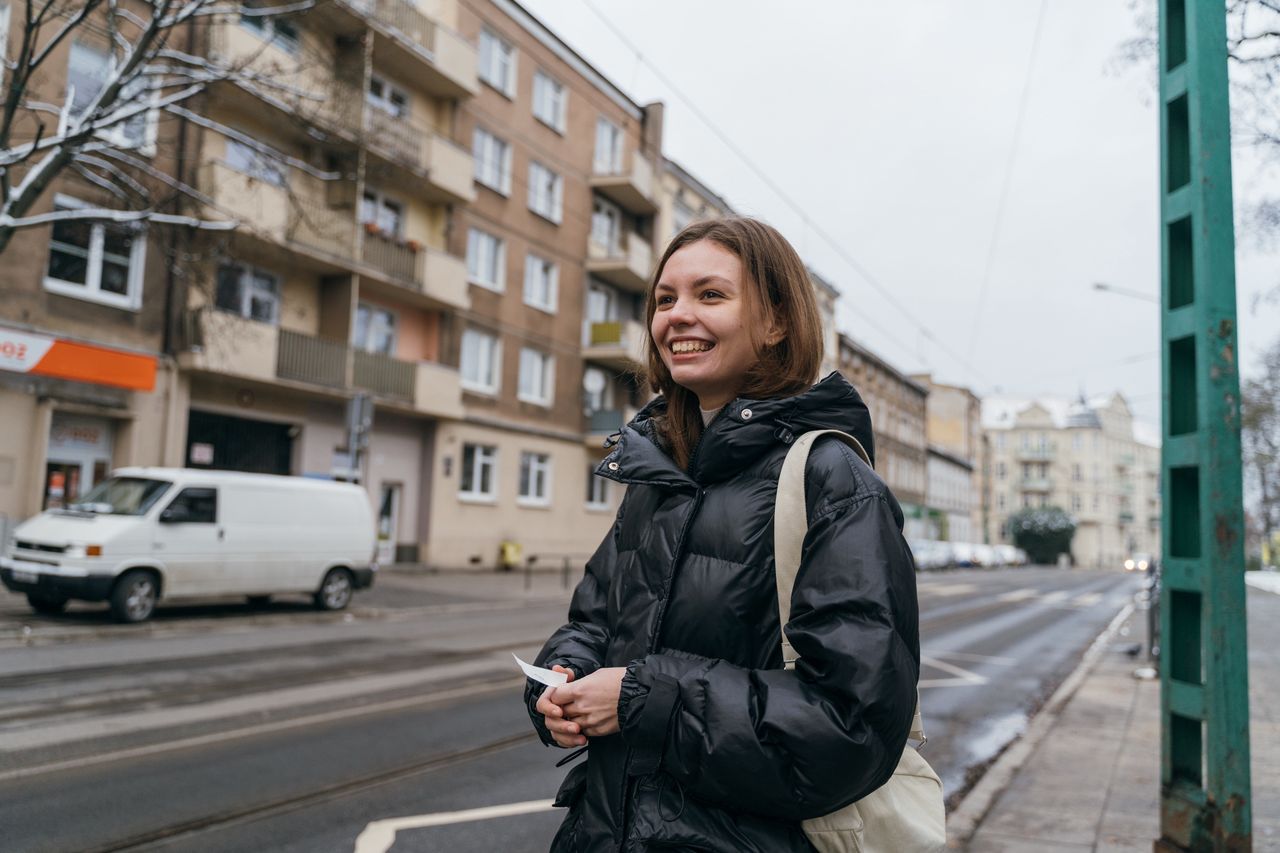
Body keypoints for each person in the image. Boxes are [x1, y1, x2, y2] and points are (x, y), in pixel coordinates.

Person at [525, 216, 920, 852]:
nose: (676, 316)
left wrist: (639, 699)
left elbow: (851, 727)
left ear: (777, 322)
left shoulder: (832, 482)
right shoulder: (659, 471)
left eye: (710, 295)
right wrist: (562, 677)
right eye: (664, 299)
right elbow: (595, 620)